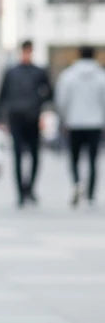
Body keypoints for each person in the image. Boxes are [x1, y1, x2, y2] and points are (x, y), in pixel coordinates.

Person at [0, 39, 52, 206]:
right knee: (18, 155)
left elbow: (49, 93)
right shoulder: (11, 72)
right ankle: (20, 192)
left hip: (33, 117)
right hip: (16, 118)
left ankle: (30, 188)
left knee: (34, 156)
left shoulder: (39, 72)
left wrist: (39, 102)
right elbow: (2, 95)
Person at [55, 46, 105, 207]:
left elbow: (61, 100)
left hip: (74, 123)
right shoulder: (101, 76)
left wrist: (64, 118)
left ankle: (77, 182)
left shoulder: (68, 76)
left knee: (74, 158)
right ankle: (90, 194)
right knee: (92, 160)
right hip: (95, 123)